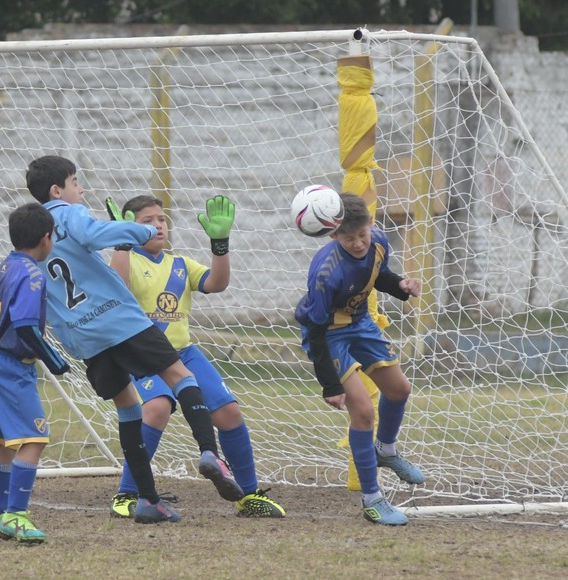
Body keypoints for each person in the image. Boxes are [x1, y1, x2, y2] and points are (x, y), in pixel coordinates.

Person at [26, 155, 243, 524]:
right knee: (180, 375)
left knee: (129, 408)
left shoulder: (33, 235)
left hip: (83, 339)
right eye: (76, 181)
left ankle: (147, 499)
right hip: (118, 319)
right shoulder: (66, 212)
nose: (81, 189)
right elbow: (95, 234)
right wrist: (138, 232)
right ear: (56, 190)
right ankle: (210, 452)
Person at [105, 194, 285, 519]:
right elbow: (117, 287)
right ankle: (127, 493)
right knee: (157, 409)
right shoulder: (126, 260)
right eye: (147, 221)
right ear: (129, 228)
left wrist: (220, 244)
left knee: (229, 412)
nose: (158, 225)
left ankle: (248, 494)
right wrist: (121, 243)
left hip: (184, 354)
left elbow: (217, 283)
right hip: (141, 356)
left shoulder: (180, 265)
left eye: (161, 219)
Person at [295, 193, 426, 526]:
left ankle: (386, 450)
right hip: (329, 334)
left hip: (360, 324)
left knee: (399, 389)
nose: (357, 243)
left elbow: (374, 273)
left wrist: (400, 284)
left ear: (371, 225)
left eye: (362, 235)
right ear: (333, 234)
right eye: (348, 238)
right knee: (364, 412)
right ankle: (372, 498)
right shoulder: (325, 273)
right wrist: (330, 384)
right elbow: (314, 328)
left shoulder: (378, 241)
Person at [0, 202, 71, 544]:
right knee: (34, 439)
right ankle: (16, 516)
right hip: (13, 365)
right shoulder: (32, 273)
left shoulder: (4, 266)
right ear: (46, 238)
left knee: (4, 442)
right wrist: (54, 359)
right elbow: (27, 325)